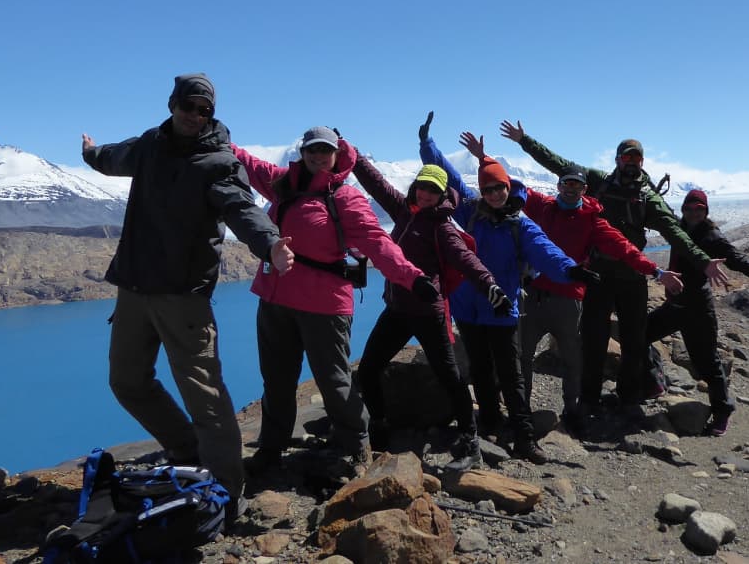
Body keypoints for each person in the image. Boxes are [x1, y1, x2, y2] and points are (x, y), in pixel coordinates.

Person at [81, 73, 294, 521]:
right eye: (189, 107)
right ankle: (186, 451)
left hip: (183, 297)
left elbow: (242, 207)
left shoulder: (217, 161)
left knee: (205, 395)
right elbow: (113, 158)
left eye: (205, 110)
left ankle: (225, 494)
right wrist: (90, 153)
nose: (196, 116)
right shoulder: (150, 145)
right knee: (127, 381)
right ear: (173, 104)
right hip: (135, 288)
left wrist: (270, 242)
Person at [230, 127, 437, 476]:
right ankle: (271, 447)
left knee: (334, 380)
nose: (318, 156)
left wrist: (412, 277)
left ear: (337, 154)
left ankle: (357, 446)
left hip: (324, 306)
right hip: (275, 299)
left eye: (325, 150)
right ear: (304, 151)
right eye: (313, 150)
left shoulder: (345, 198)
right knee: (277, 380)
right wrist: (219, 138)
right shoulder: (285, 183)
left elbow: (377, 243)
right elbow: (249, 164)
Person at [456, 133, 684, 434]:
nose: (571, 190)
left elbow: (624, 248)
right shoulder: (543, 207)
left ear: (585, 190)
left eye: (576, 185)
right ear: (559, 186)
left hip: (568, 300)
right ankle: (521, 412)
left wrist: (655, 272)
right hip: (535, 297)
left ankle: (573, 410)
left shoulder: (593, 221)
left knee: (572, 360)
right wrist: (484, 159)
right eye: (566, 184)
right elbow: (503, 185)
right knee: (521, 358)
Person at [499, 119, 728, 419]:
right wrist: (524, 140)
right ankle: (590, 398)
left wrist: (702, 260)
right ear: (618, 159)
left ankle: (629, 396)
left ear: (642, 162)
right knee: (593, 338)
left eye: (636, 158)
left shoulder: (649, 197)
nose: (631, 163)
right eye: (626, 157)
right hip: (599, 275)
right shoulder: (598, 181)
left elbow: (675, 232)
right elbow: (560, 164)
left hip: (632, 278)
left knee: (634, 340)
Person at [419, 116, 599, 463]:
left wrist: (572, 271)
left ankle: (524, 437)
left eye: (499, 188)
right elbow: (446, 173)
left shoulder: (521, 224)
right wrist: (428, 145)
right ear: (482, 192)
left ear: (507, 187)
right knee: (482, 370)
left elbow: (547, 252)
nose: (495, 194)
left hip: (502, 308)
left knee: (512, 374)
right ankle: (489, 422)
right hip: (469, 307)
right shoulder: (469, 209)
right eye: (488, 189)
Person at [350, 119, 508, 471]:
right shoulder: (403, 211)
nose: (425, 194)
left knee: (449, 376)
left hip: (428, 311)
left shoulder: (442, 229)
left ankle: (470, 439)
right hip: (397, 308)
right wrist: (353, 154)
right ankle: (380, 426)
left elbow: (468, 261)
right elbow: (376, 184)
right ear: (415, 187)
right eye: (421, 187)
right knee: (371, 367)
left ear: (441, 196)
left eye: (432, 191)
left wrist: (490, 286)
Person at [647, 190, 749, 436]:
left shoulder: (712, 236)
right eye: (689, 209)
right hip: (675, 303)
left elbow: (736, 259)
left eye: (699, 209)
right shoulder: (678, 228)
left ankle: (722, 411)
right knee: (640, 335)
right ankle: (653, 381)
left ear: (705, 211)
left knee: (707, 361)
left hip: (698, 307)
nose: (694, 213)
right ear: (683, 210)